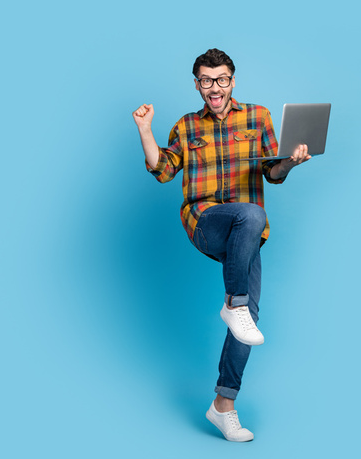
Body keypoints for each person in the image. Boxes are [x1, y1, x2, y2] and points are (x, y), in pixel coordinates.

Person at [132, 48, 310, 442]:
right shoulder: (187, 125)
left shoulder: (258, 117)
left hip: (246, 233)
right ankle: (235, 303)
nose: (215, 87)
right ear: (197, 84)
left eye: (222, 79)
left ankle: (222, 405)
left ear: (233, 80)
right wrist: (145, 130)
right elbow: (162, 170)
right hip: (205, 221)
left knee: (249, 322)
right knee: (252, 214)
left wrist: (292, 162)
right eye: (206, 80)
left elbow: (273, 171)